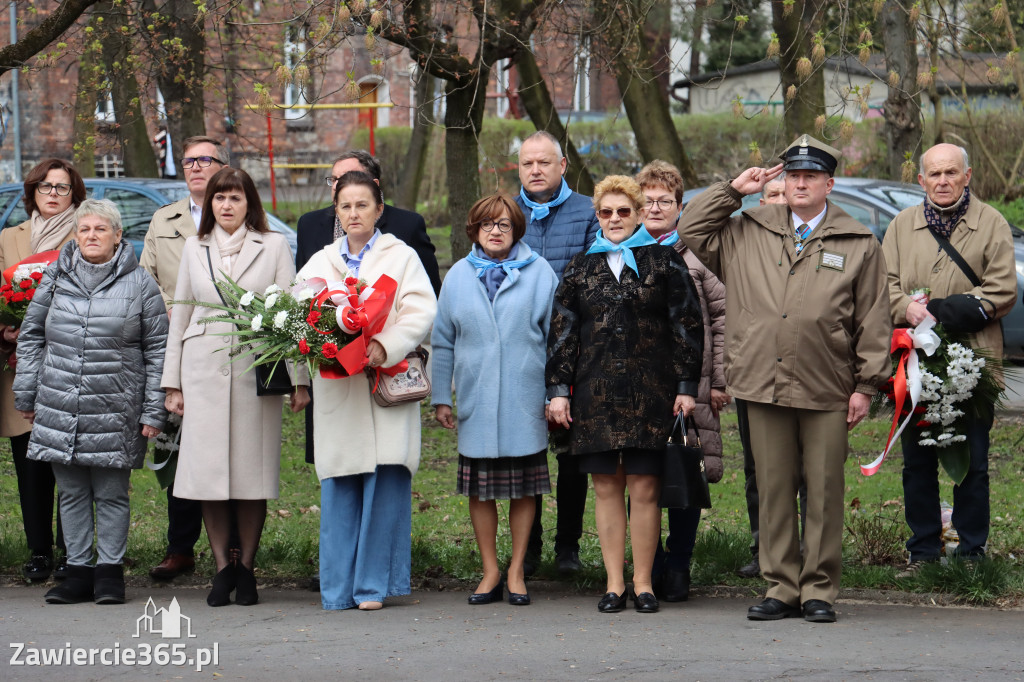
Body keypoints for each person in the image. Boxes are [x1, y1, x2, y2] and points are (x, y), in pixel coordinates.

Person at [678, 135, 892, 623]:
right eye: (793, 175)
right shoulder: (746, 228)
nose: (800, 182)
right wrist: (733, 189)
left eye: (810, 176)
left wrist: (866, 385)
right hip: (761, 380)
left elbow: (874, 320)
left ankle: (819, 588)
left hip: (828, 383)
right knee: (773, 486)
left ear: (829, 184)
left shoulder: (857, 241)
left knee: (822, 488)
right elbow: (689, 228)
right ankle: (780, 585)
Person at [547, 175, 703, 614]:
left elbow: (687, 326)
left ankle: (644, 582)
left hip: (651, 393)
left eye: (623, 211)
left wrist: (686, 387)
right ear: (596, 216)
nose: (614, 219)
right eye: (605, 212)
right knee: (605, 487)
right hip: (594, 396)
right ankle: (614, 583)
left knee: (645, 487)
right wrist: (558, 392)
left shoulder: (664, 262)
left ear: (637, 214)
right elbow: (563, 334)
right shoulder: (580, 267)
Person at [162, 167, 310, 607]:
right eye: (219, 198)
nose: (226, 206)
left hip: (256, 370)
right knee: (208, 477)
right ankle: (221, 570)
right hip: (202, 371)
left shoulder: (275, 245)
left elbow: (293, 312)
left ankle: (246, 567)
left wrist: (299, 380)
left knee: (251, 475)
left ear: (250, 204)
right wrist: (172, 383)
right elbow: (181, 315)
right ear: (209, 204)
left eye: (235, 198)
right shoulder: (194, 246)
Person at [296, 151, 441, 592]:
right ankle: (338, 587)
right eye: (346, 206)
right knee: (341, 484)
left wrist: (382, 344)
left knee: (385, 483)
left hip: (386, 385)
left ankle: (376, 585)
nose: (354, 213)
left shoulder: (401, 256)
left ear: (379, 208)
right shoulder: (321, 262)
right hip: (339, 391)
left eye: (363, 204)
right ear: (336, 213)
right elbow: (297, 311)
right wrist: (324, 345)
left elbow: (421, 310)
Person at [13, 198, 168, 605]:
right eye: (85, 229)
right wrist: (27, 392)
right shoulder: (55, 277)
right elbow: (31, 337)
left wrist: (153, 410)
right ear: (76, 235)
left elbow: (158, 350)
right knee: (71, 492)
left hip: (117, 407)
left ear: (118, 236)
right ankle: (79, 572)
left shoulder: (139, 284)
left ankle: (110, 574)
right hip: (59, 402)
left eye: (101, 229)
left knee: (112, 493)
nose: (92, 236)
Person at [882, 143, 1017, 577]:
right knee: (917, 460)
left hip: (974, 360)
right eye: (934, 174)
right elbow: (882, 286)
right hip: (915, 361)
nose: (943, 181)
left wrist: (939, 309)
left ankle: (972, 553)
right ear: (921, 180)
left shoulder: (991, 222)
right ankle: (922, 550)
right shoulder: (902, 225)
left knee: (973, 461)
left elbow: (1001, 292)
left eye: (951, 173)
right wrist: (906, 308)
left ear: (968, 175)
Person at [432, 193, 558, 606]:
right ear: (474, 230)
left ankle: (518, 570)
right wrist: (441, 397)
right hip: (476, 398)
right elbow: (443, 341)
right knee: (480, 491)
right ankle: (490, 570)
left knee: (525, 490)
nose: (496, 231)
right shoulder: (457, 277)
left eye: (504, 224)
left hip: (525, 398)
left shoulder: (540, 272)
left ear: (517, 229)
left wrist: (557, 394)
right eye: (487, 224)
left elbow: (557, 342)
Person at [636, 161, 727, 602]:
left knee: (686, 475)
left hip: (693, 385)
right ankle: (646, 566)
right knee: (643, 478)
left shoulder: (696, 257)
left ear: (680, 207)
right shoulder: (624, 252)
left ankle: (679, 563)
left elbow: (724, 319)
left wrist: (719, 379)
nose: (655, 208)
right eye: (648, 200)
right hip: (640, 388)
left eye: (664, 201)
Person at [141, 135, 228, 582]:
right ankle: (181, 547)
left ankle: (231, 549)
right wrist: (170, 307)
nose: (195, 167)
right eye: (189, 160)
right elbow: (146, 277)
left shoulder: (237, 214)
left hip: (227, 349)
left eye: (204, 160)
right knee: (176, 448)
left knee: (227, 446)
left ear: (221, 167)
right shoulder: (164, 219)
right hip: (174, 346)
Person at [515, 130, 600, 577]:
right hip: (521, 351)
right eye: (528, 163)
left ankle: (568, 546)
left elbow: (589, 275)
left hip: (577, 351)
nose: (535, 171)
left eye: (544, 163)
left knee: (571, 453)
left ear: (562, 165)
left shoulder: (588, 212)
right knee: (526, 452)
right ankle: (527, 549)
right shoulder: (505, 214)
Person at [0, 158, 86, 583]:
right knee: (29, 459)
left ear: (75, 194)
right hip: (21, 367)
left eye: (63, 187)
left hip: (73, 364)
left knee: (68, 461)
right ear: (32, 191)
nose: (53, 194)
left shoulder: (86, 231)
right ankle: (38, 551)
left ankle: (73, 550)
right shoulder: (9, 236)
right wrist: (6, 323)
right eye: (46, 186)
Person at [737, 173, 808, 580]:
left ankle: (801, 550)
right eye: (772, 195)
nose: (780, 201)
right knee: (758, 466)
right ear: (760, 202)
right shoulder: (744, 242)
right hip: (756, 373)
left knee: (804, 466)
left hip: (806, 373)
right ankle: (763, 544)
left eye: (786, 193)